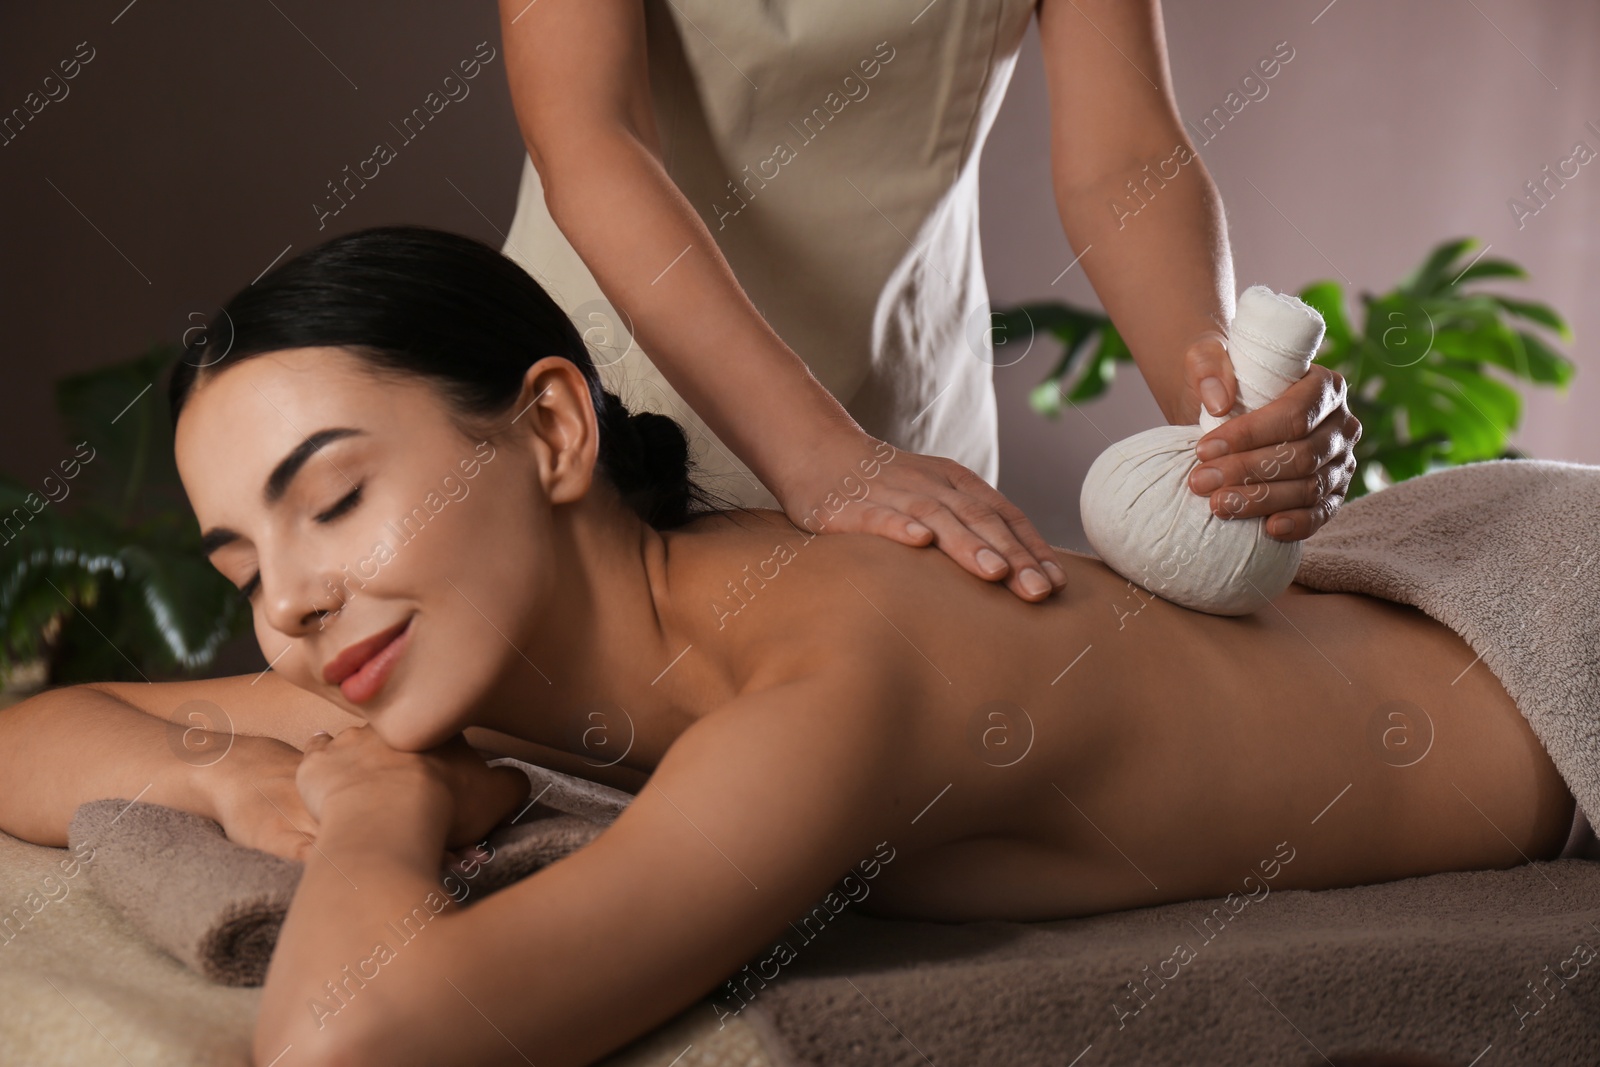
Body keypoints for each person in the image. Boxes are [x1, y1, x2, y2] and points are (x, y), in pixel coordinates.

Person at [0, 229, 1556, 1067]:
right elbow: (32, 731)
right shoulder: (458, 632)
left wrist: (373, 813)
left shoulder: (830, 678)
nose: (289, 602)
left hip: (1547, 644)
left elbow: (352, 1039)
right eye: (242, 561)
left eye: (332, 498)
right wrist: (215, 773)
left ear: (549, 430)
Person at [495, 0, 1362, 606]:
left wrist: (1223, 422)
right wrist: (816, 455)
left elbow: (1124, 159)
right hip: (607, 412)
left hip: (907, 428)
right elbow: (589, 133)